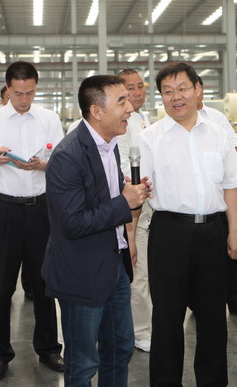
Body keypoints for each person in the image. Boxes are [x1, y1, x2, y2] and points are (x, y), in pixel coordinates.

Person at [140, 62, 237, 387]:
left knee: (213, 318)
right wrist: (130, 238)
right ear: (161, 97)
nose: (176, 97)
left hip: (214, 232)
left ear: (198, 90)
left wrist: (234, 231)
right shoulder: (150, 138)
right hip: (169, 233)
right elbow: (138, 191)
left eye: (182, 88)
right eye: (168, 91)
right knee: (167, 319)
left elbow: (231, 186)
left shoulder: (218, 134)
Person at [42, 75, 150, 387]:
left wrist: (128, 193)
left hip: (114, 263)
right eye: (122, 101)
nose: (130, 108)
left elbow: (101, 198)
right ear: (97, 112)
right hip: (82, 272)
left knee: (120, 348)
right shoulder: (68, 155)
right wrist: (124, 202)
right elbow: (73, 223)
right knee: (83, 363)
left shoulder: (110, 145)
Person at [0, 61, 64, 381]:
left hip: (41, 209)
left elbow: (62, 164)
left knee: (44, 283)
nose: (24, 100)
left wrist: (42, 166)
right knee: (2, 285)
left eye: (30, 93)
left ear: (36, 89)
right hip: (5, 210)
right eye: (18, 93)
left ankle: (49, 348)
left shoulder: (49, 119)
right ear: (8, 89)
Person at [196, 76, 237, 318]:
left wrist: (216, 165)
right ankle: (197, 303)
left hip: (220, 195)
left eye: (189, 87)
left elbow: (236, 149)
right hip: (193, 203)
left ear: (199, 89)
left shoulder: (215, 118)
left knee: (232, 250)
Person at [116, 69, 154, 352]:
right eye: (130, 88)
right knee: (138, 271)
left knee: (145, 272)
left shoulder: (142, 119)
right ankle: (140, 332)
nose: (137, 92)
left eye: (140, 86)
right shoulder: (122, 123)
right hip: (131, 209)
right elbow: (124, 171)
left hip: (147, 206)